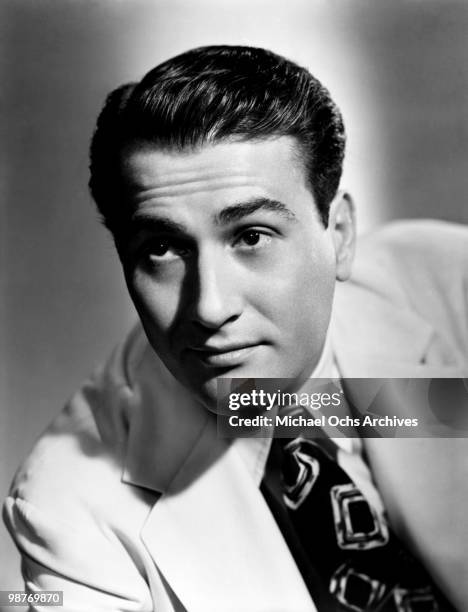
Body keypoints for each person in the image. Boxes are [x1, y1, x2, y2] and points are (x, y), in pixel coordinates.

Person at [3, 45, 468, 612]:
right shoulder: (68, 506)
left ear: (340, 234)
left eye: (251, 235)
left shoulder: (451, 291)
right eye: (162, 248)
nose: (209, 307)